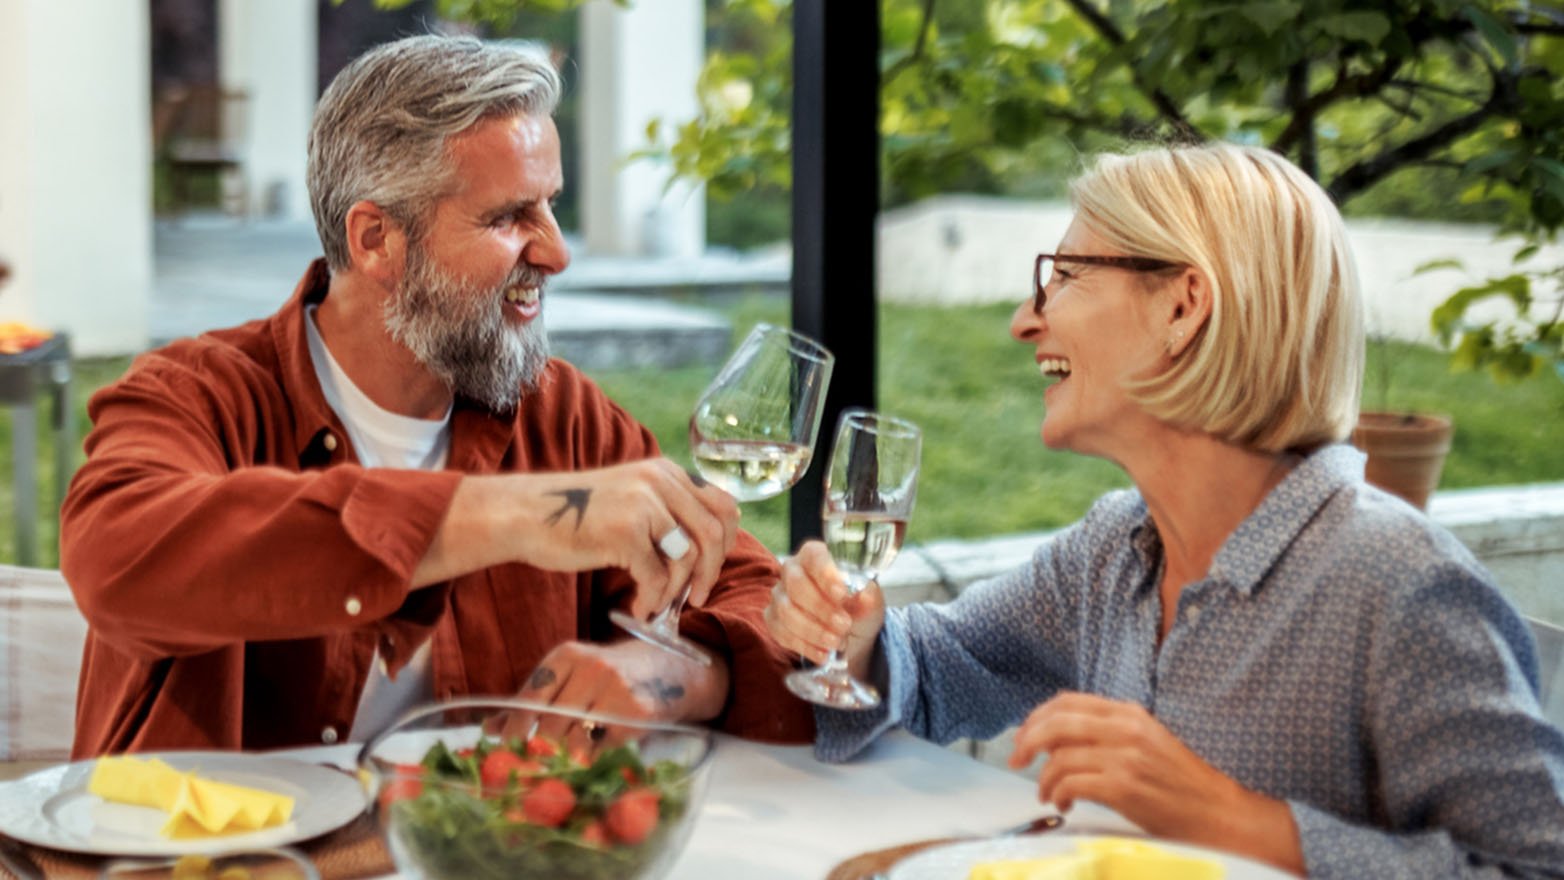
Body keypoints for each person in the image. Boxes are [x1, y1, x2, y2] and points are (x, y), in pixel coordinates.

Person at [764, 143, 1564, 877]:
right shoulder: (1118, 549)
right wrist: (859, 641)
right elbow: (944, 668)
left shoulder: (1399, 584)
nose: (1023, 319)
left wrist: (1238, 822)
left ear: (1184, 307)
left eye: (1066, 276)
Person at [61, 34, 813, 758]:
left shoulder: (562, 418)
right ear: (376, 241)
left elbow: (759, 599)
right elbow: (118, 558)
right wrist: (523, 516)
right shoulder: (193, 395)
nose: (556, 252)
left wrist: (678, 673)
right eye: (510, 217)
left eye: (550, 206)